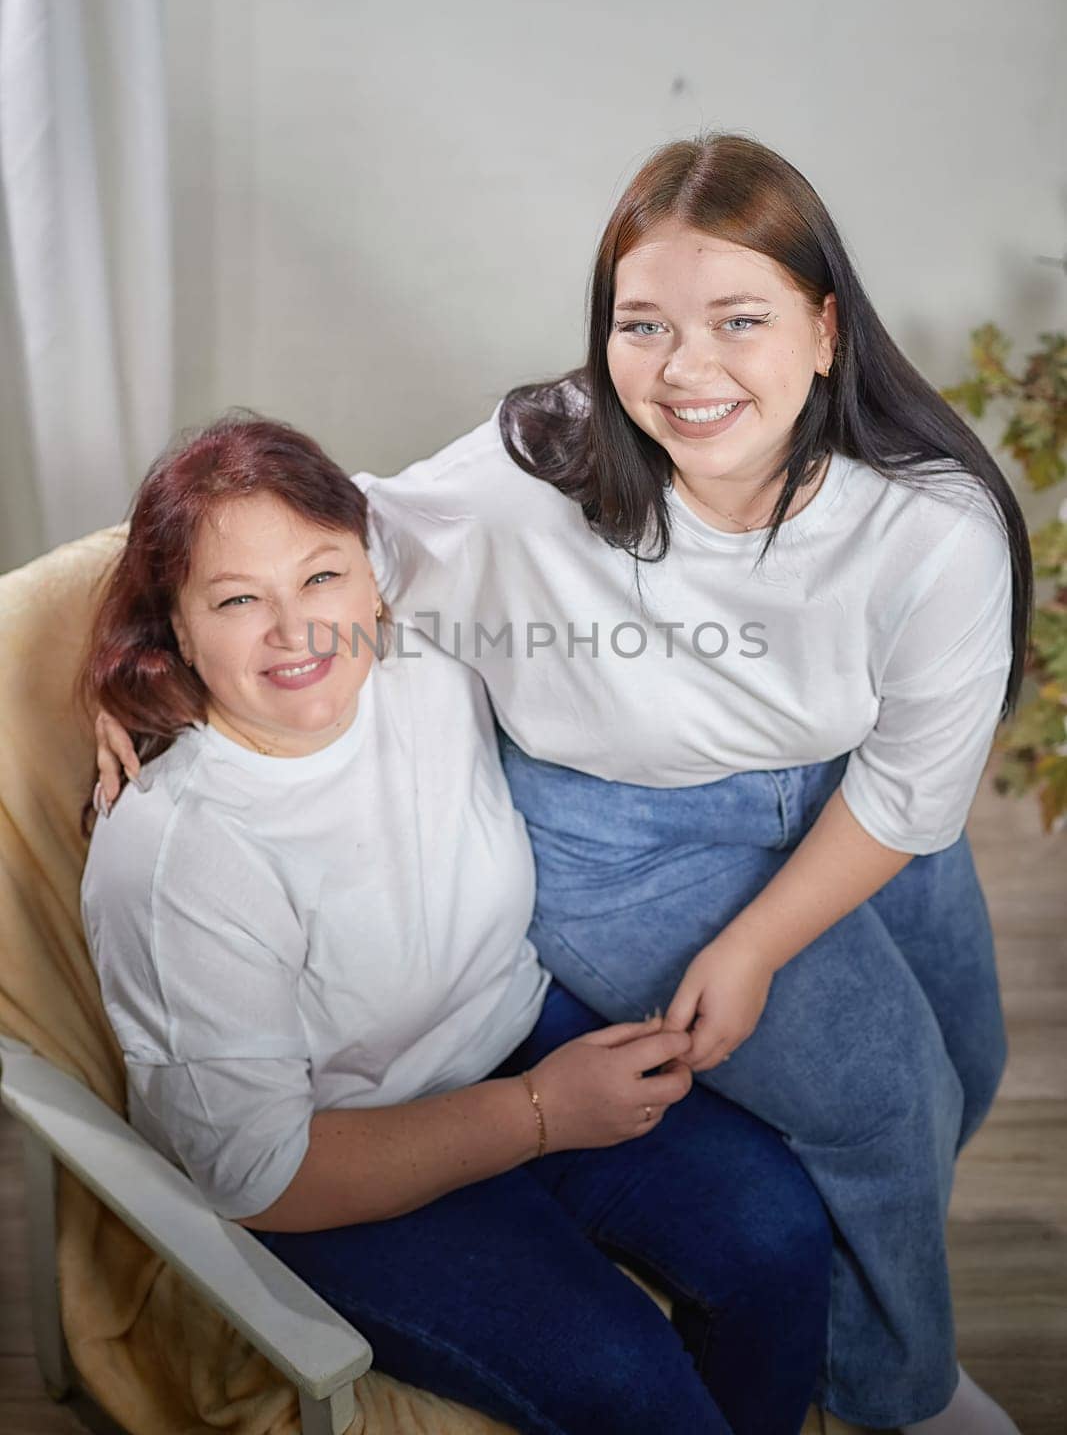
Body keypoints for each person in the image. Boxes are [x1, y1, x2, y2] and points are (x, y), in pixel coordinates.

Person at [94, 134, 1031, 1433]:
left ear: (823, 331)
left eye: (737, 319)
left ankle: (861, 1327)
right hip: (628, 841)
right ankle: (897, 1397)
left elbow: (910, 792)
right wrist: (127, 660)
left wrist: (761, 942)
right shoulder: (531, 478)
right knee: (880, 1105)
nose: (685, 368)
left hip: (848, 796)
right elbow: (315, 535)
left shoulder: (926, 522)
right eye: (639, 325)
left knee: (961, 1071)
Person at [79, 413, 834, 1435]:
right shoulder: (181, 856)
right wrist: (535, 1114)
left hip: (515, 1031)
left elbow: (549, 448)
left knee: (780, 1236)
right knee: (628, 1378)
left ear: (372, 571)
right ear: (172, 625)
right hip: (338, 1166)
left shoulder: (424, 644)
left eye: (320, 577)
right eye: (234, 601)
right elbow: (258, 1176)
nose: (294, 629)